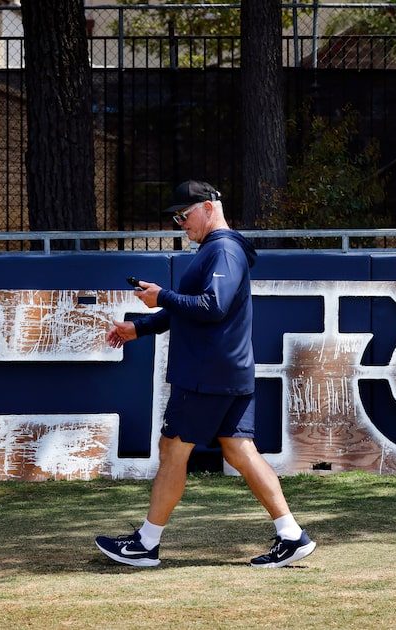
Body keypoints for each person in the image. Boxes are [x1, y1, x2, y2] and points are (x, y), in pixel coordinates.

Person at [95, 179, 316, 568]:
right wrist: (140, 327)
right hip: (226, 371)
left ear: (209, 207)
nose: (180, 224)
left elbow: (212, 306)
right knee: (240, 450)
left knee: (172, 449)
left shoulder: (223, 250)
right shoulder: (220, 250)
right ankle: (291, 534)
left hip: (206, 374)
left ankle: (146, 544)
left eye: (184, 215)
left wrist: (161, 296)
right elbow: (192, 309)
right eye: (177, 218)